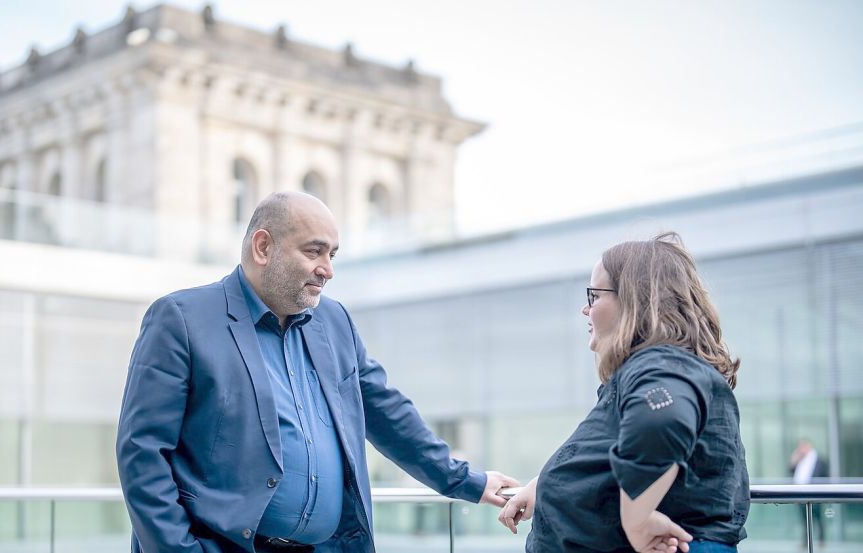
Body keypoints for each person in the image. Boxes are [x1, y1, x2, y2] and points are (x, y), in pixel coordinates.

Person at [117, 191, 517, 553]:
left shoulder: (335, 321)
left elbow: (389, 415)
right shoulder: (181, 319)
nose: (327, 269)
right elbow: (142, 455)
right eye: (314, 251)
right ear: (263, 247)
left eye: (333, 255)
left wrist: (469, 481)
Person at [498, 232, 749, 553]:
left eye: (594, 296)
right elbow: (622, 454)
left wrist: (638, 519)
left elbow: (661, 418)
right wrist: (546, 483)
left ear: (636, 300)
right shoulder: (661, 369)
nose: (585, 310)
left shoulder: (663, 367)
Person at [790, 439, 828, 546]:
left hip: (815, 493)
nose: (800, 449)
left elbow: (823, 475)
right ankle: (805, 541)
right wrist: (793, 461)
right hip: (800, 494)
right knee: (804, 519)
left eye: (802, 447)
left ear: (808, 446)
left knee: (818, 517)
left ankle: (821, 540)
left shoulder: (819, 460)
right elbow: (792, 472)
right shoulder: (800, 460)